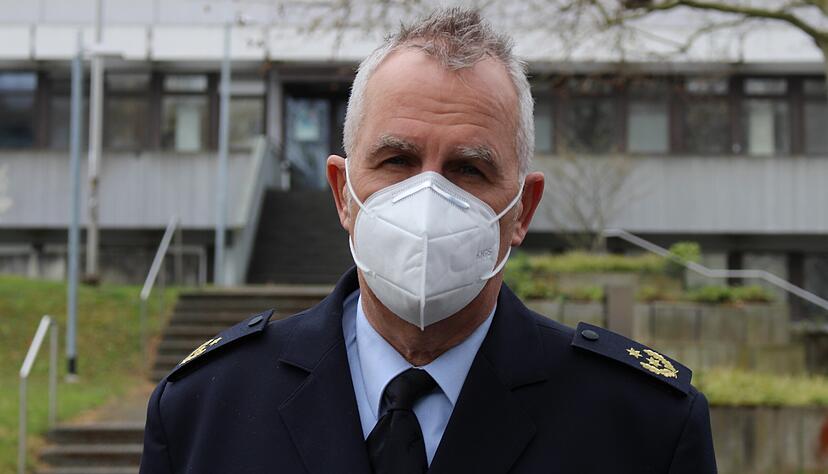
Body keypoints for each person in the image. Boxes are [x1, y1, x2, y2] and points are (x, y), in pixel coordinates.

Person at [140, 8, 716, 474]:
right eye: (397, 160)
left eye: (469, 168)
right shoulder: (203, 408)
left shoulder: (644, 427)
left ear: (522, 209)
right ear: (343, 193)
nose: (428, 197)